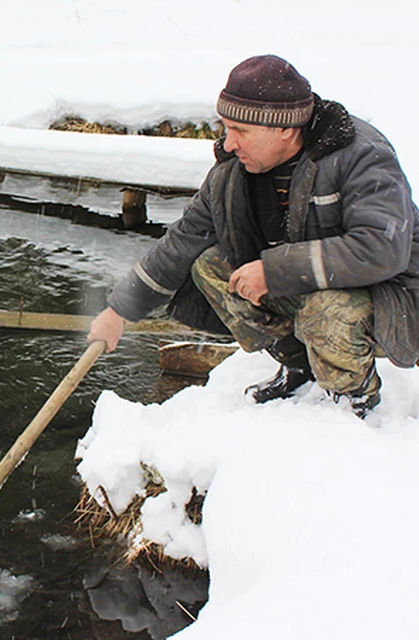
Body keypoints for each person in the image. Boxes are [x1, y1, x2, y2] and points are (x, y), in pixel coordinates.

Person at [87, 54, 419, 419]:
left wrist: (274, 271)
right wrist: (119, 310)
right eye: (226, 128)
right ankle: (298, 366)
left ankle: (355, 399)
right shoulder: (233, 171)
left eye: (240, 131)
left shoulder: (359, 155)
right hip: (311, 281)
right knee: (210, 266)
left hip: (391, 294)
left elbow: (383, 249)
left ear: (285, 129)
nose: (228, 143)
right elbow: (182, 241)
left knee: (327, 310)